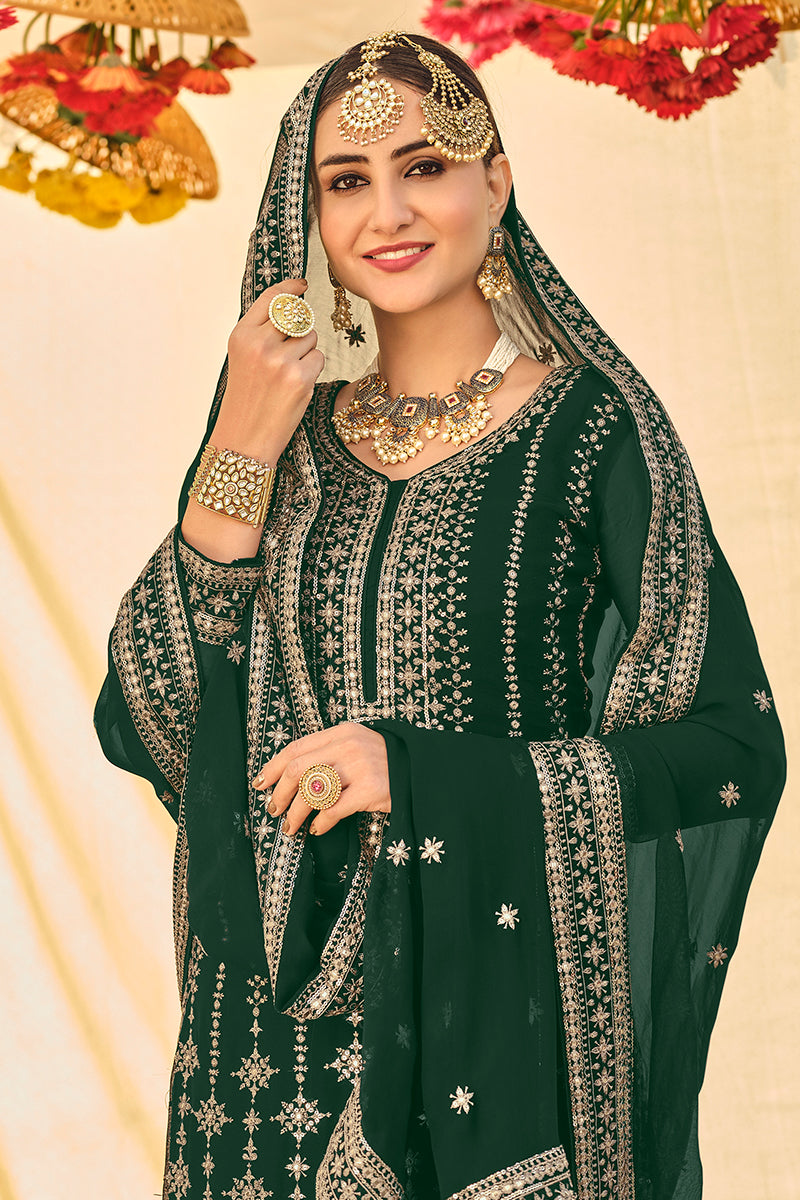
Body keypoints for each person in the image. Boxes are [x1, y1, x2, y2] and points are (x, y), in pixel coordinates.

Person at [95, 31, 785, 1200]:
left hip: (489, 1030)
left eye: (423, 166)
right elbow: (148, 719)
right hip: (266, 1052)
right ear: (309, 216)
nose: (387, 213)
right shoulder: (280, 436)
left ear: (495, 182)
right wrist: (241, 442)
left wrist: (416, 776)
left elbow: (729, 752)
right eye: (345, 181)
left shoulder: (590, 431)